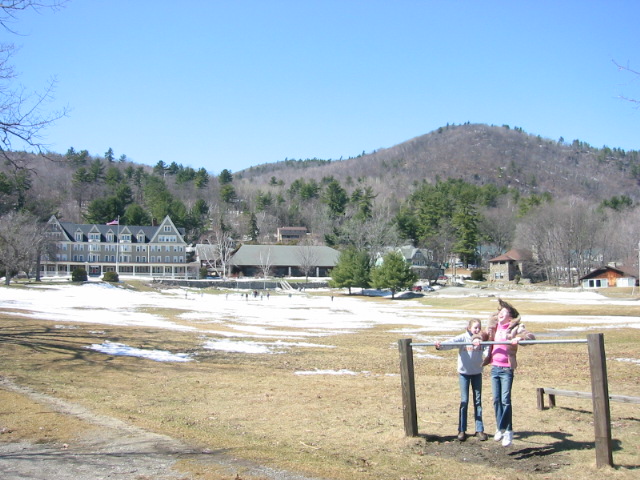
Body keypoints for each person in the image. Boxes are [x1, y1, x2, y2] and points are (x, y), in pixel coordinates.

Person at [484, 299, 535, 447]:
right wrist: (476, 339)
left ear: (510, 317)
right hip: (495, 367)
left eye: (504, 312)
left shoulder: (516, 327)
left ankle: (508, 431)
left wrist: (519, 338)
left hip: (506, 369)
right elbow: (483, 335)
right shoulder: (493, 326)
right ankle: (500, 427)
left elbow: (531, 337)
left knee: (505, 400)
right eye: (500, 311)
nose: (500, 314)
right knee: (496, 399)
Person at [435, 318, 489, 442]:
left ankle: (479, 429)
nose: (477, 330)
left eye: (479, 327)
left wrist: (487, 356)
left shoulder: (482, 339)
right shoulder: (463, 338)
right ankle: (461, 430)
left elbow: (488, 350)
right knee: (464, 401)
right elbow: (451, 343)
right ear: (469, 328)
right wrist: (440, 346)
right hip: (464, 374)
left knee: (478, 401)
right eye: (475, 327)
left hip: (477, 373)